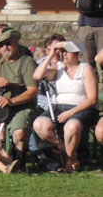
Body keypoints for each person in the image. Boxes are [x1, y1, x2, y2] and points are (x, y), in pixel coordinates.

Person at [0, 25, 37, 169]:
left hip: (21, 105)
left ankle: (20, 162)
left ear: (16, 43)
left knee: (19, 134)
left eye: (8, 43)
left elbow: (33, 91)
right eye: (2, 45)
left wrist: (11, 101)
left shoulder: (26, 62)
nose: (5, 47)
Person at [35, 39, 97, 172]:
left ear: (77, 53)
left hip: (82, 107)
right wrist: (51, 54)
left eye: (68, 52)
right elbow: (37, 75)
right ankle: (70, 155)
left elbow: (92, 99)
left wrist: (70, 113)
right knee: (40, 124)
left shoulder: (85, 69)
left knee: (71, 126)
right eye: (62, 52)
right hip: (59, 106)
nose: (64, 55)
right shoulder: (59, 67)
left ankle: (69, 161)